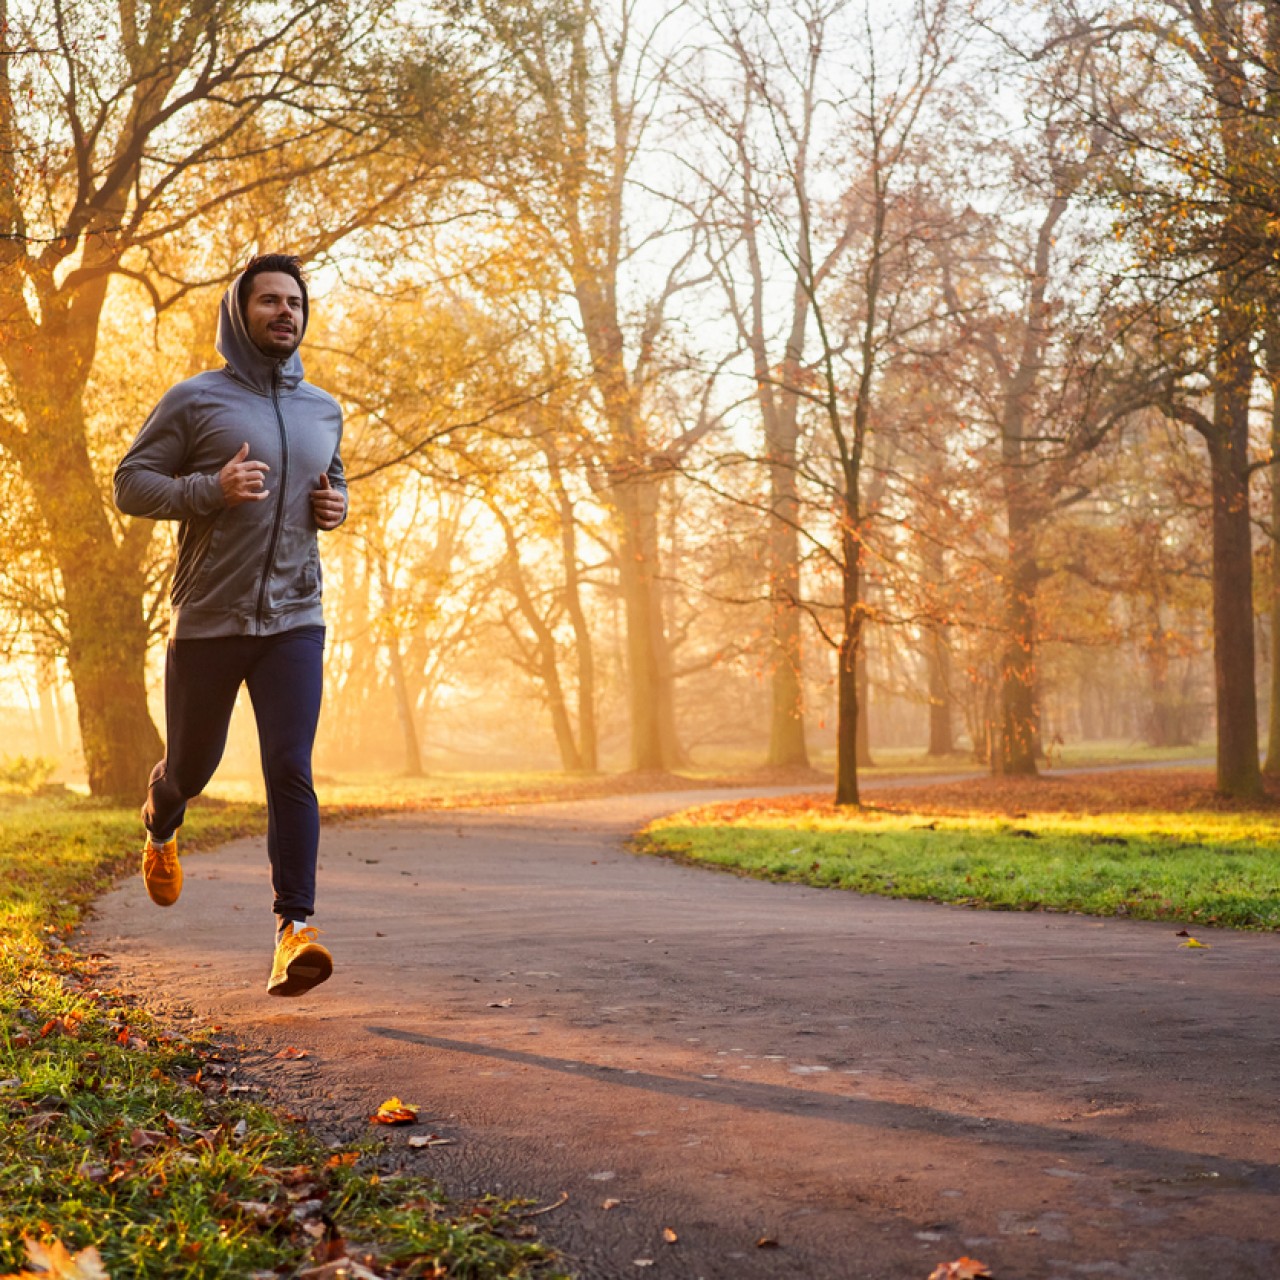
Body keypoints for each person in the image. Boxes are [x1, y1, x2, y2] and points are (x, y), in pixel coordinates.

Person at [114, 253, 347, 997]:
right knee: (191, 768)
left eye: (295, 303)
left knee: (291, 766)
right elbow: (130, 483)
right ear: (239, 313)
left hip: (294, 619)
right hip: (210, 619)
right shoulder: (195, 400)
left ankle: (294, 931)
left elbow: (329, 479)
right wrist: (208, 489)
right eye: (270, 301)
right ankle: (160, 822)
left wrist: (337, 505)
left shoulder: (323, 408)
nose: (285, 312)